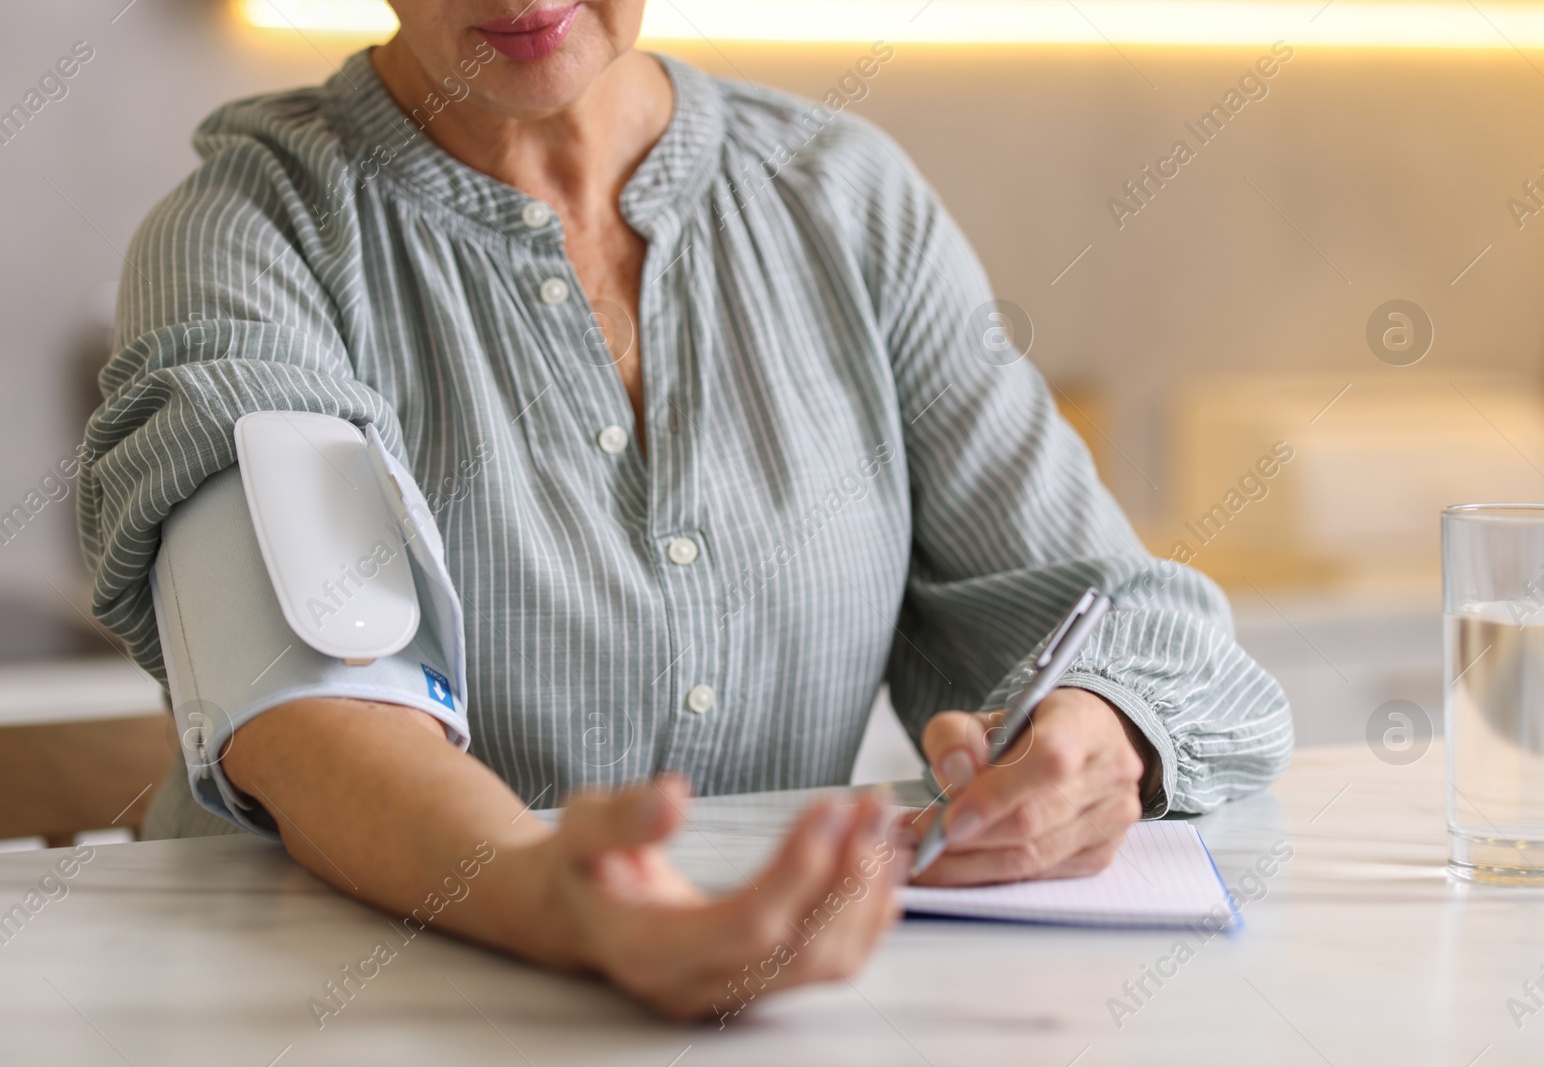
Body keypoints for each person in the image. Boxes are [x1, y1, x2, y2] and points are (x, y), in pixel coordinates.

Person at [76, 0, 1293, 1019]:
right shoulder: (247, 229)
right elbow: (314, 694)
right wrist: (552, 895)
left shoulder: (847, 201)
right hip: (346, 1010)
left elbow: (1125, 615)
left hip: (773, 1006)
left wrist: (1098, 731)